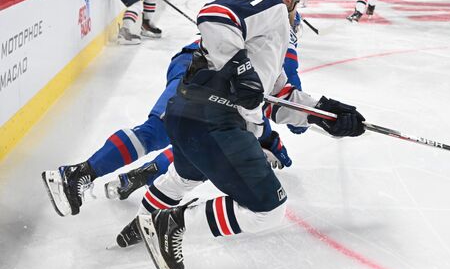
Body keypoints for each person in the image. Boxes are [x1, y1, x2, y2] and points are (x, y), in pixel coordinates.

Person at [132, 0, 365, 269]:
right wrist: (241, 70)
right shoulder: (271, 5)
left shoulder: (263, 41)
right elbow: (214, 15)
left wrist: (325, 114)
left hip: (188, 117)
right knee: (268, 209)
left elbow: (277, 96)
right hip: (216, 122)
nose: (298, 10)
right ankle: (172, 222)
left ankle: (141, 223)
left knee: (183, 178)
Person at [41, 35, 300, 218]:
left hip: (216, 83)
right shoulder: (277, 35)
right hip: (199, 74)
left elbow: (262, 98)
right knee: (157, 132)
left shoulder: (264, 23)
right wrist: (275, 137)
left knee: (205, 143)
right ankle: (76, 174)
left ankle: (138, 175)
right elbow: (275, 96)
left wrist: (270, 138)